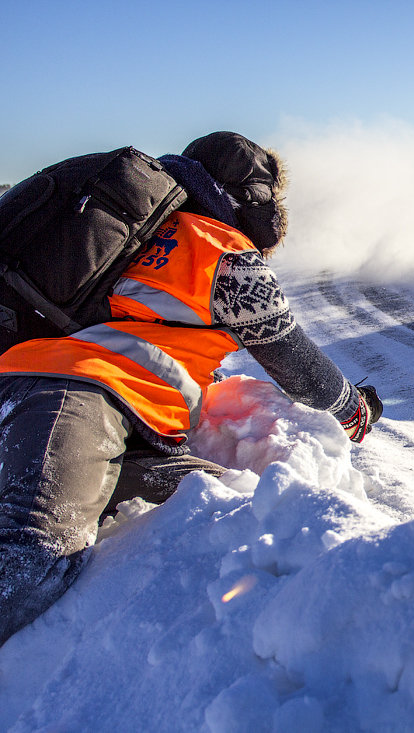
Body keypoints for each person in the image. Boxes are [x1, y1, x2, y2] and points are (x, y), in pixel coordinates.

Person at [0, 131, 383, 646]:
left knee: (216, 494)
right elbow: (298, 365)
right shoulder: (220, 252)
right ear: (254, 200)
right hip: (76, 396)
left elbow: (142, 331)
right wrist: (353, 408)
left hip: (73, 403)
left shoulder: (131, 233)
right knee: (34, 552)